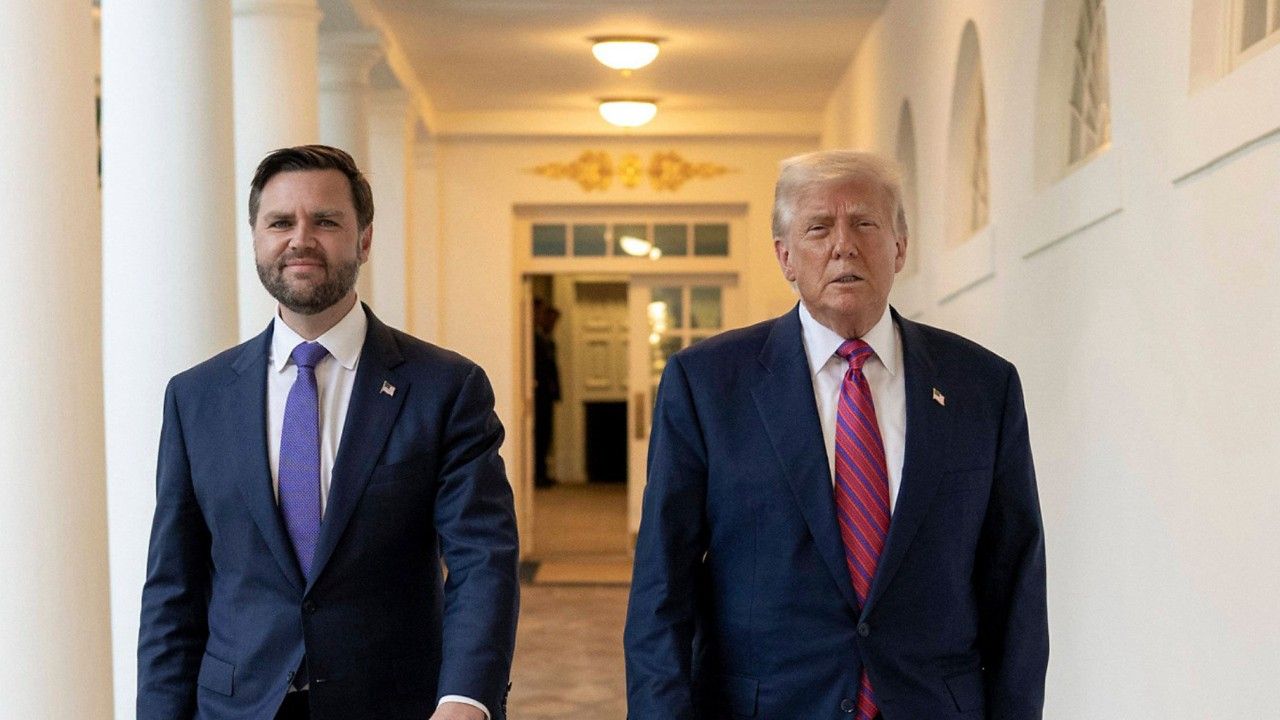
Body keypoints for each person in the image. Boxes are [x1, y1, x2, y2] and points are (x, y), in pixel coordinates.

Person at [624, 150, 1047, 719]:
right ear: (785, 257)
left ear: (900, 247)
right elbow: (661, 588)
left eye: (865, 223)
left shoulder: (982, 386)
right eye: (818, 228)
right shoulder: (706, 385)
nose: (843, 245)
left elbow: (1016, 587)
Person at [137, 145, 519, 720]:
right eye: (280, 222)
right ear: (256, 238)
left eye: (325, 221)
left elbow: (482, 559)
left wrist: (465, 699)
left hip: (395, 704)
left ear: (364, 240)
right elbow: (174, 588)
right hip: (237, 706)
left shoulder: (444, 388)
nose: (301, 239)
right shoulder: (196, 398)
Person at [532, 299, 562, 488]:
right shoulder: (533, 339)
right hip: (538, 396)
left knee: (545, 435)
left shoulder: (547, 339)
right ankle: (537, 474)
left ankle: (541, 472)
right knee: (539, 435)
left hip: (546, 396)